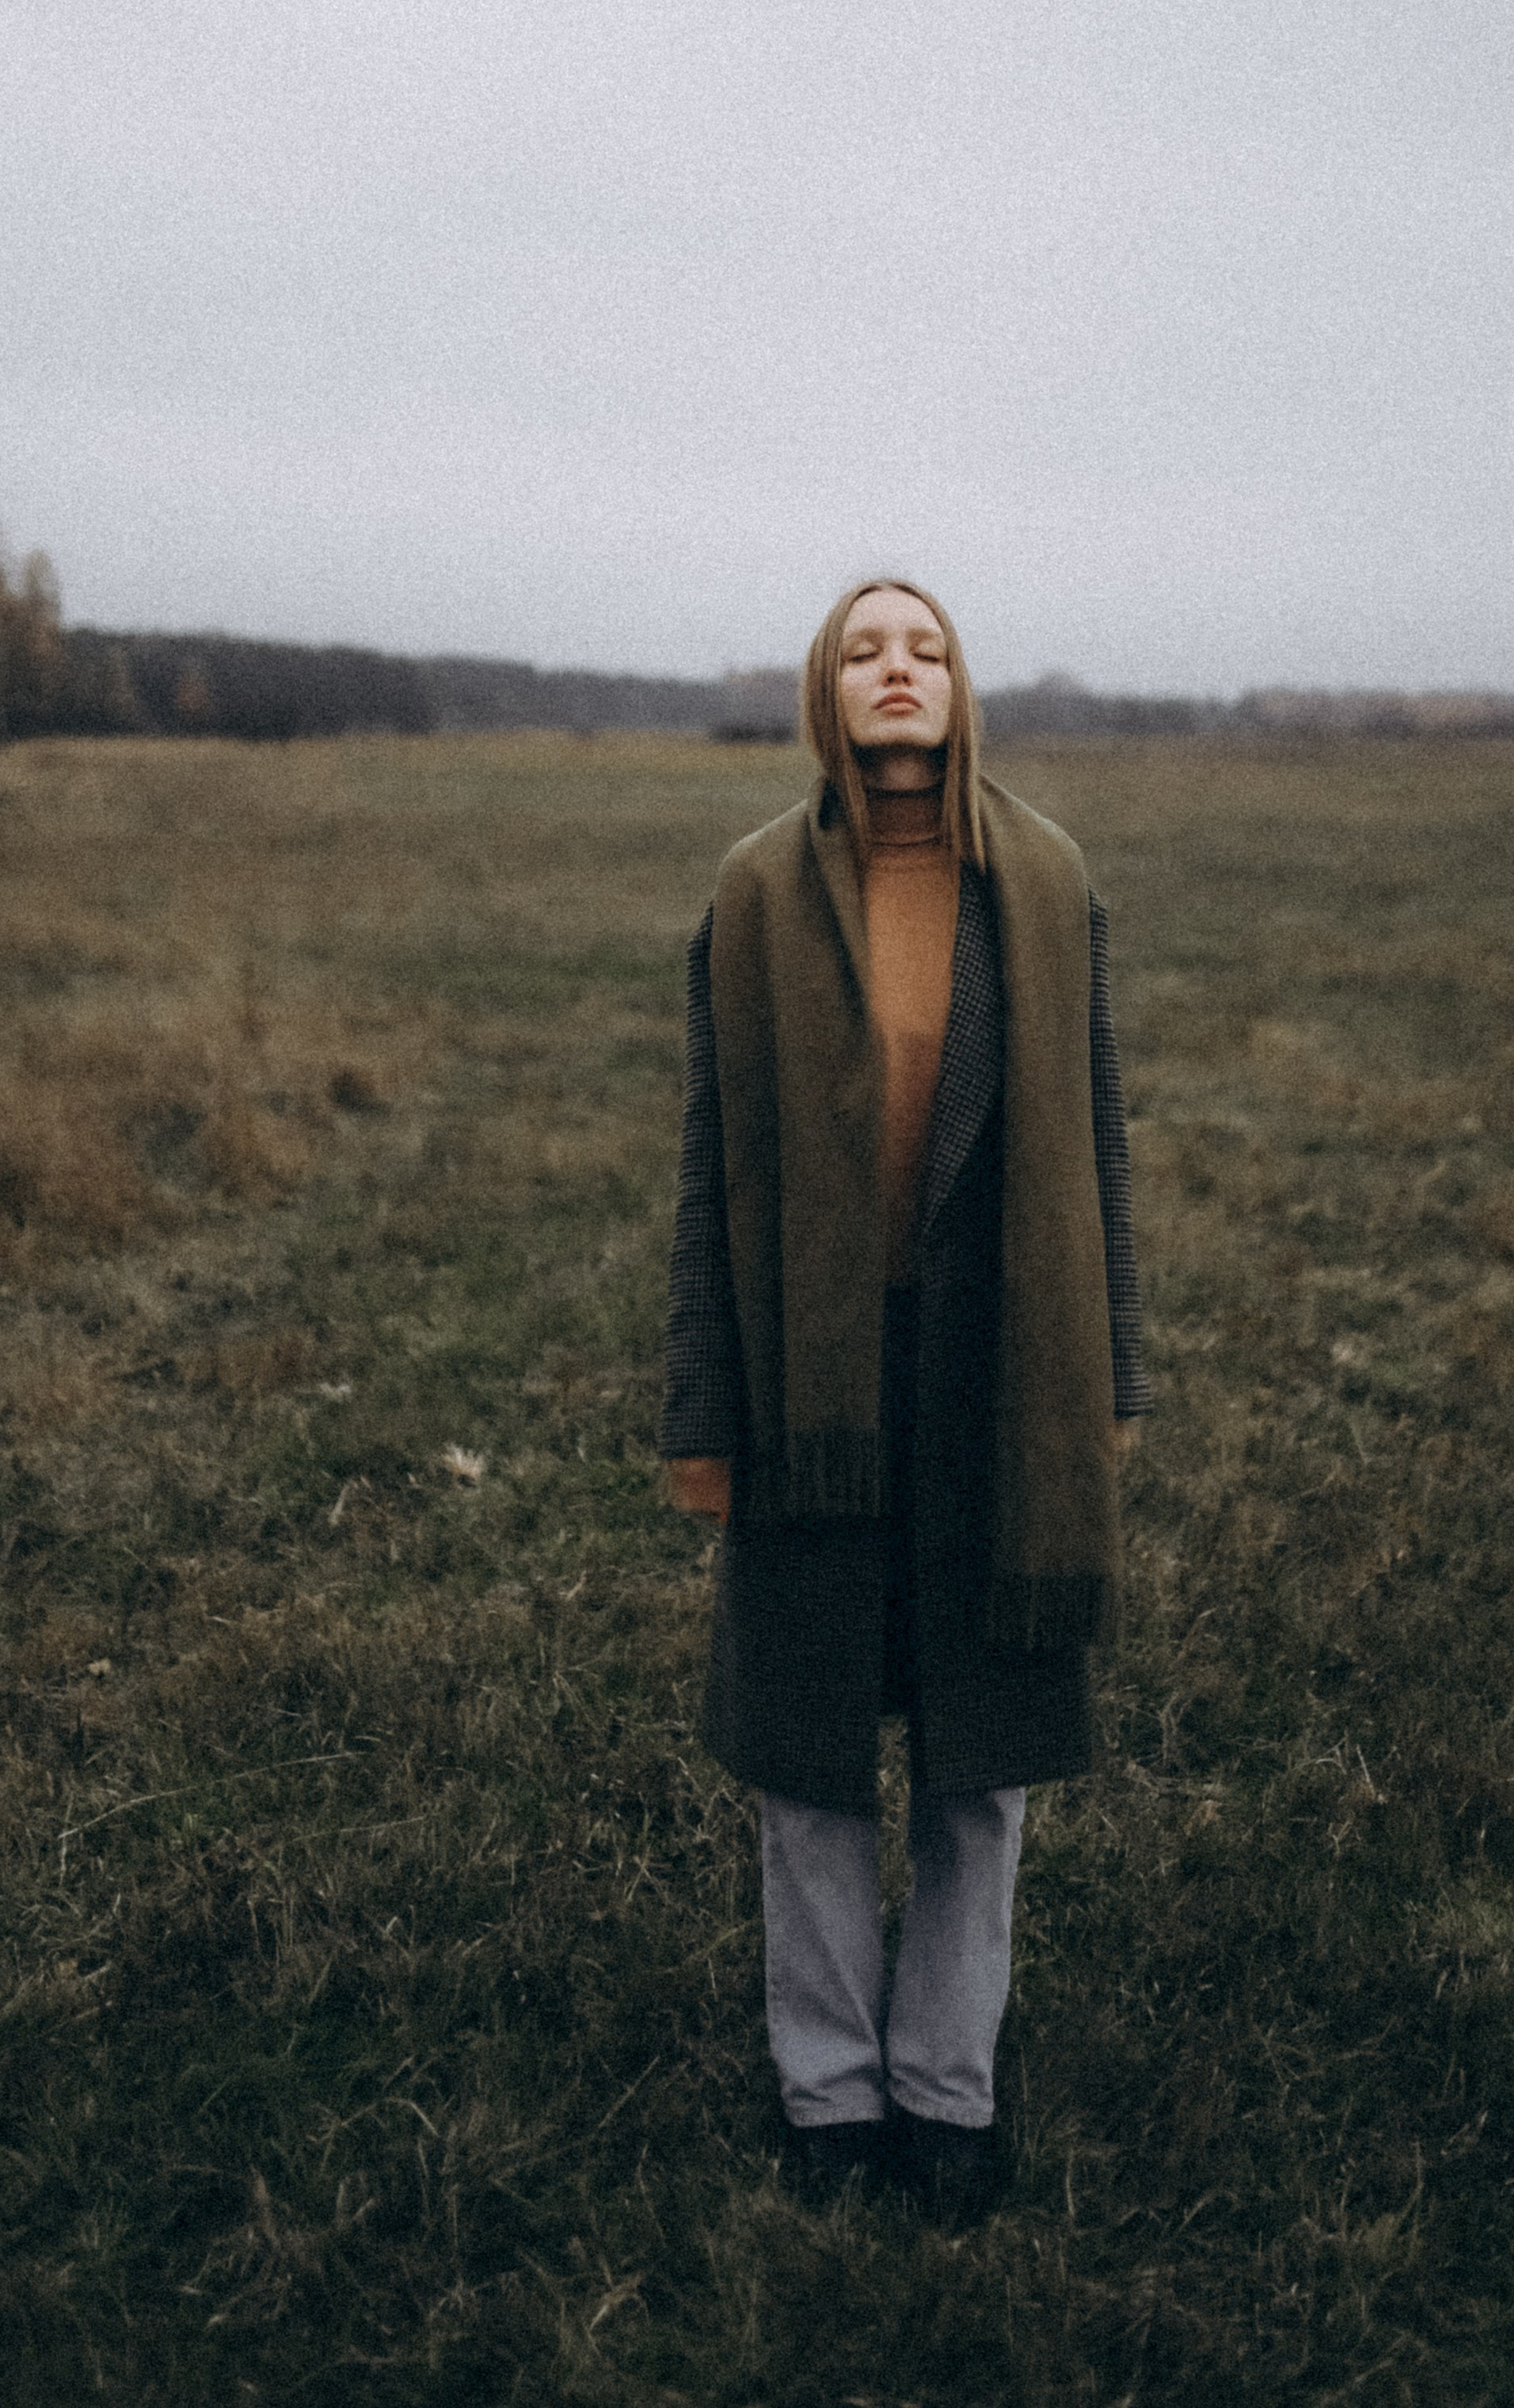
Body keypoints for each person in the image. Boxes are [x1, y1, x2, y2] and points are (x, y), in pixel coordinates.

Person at [659, 577, 1150, 2224]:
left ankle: (947, 2086)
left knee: (978, 1762)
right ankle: (829, 2091)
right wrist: (704, 1413)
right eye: (864, 646)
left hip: (999, 1374)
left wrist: (1115, 1387)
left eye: (924, 645)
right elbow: (711, 1179)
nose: (895, 668)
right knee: (806, 1756)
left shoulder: (1053, 882)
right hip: (813, 1376)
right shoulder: (749, 896)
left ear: (961, 687)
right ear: (825, 688)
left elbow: (1099, 1157)